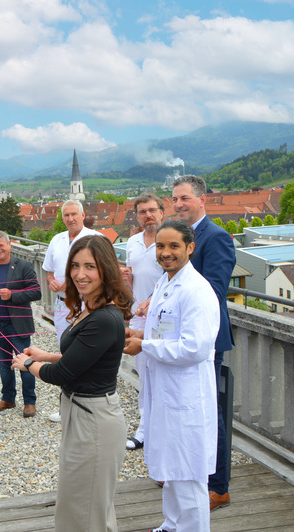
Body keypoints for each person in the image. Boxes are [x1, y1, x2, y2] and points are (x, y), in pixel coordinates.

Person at [14, 235, 131, 532]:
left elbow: (61, 374)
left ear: (106, 269)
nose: (80, 274)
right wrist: (45, 355)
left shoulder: (104, 318)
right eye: (75, 266)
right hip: (81, 413)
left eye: (90, 266)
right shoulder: (90, 307)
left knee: (84, 512)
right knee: (86, 507)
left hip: (93, 420)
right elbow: (79, 358)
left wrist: (27, 364)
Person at [124, 220, 219, 532]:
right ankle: (172, 524)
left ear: (190, 248)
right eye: (161, 246)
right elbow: (166, 330)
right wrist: (140, 334)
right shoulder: (165, 282)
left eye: (174, 246)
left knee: (188, 474)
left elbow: (194, 348)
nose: (166, 253)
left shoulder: (196, 291)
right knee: (171, 468)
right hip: (164, 391)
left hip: (185, 395)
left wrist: (145, 346)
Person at [172, 174, 235, 511]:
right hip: (179, 339)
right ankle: (191, 474)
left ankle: (218, 487)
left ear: (202, 200)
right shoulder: (178, 236)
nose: (178, 204)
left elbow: (214, 291)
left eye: (184, 198)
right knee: (186, 409)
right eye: (175, 199)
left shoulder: (217, 237)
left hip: (206, 340)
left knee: (210, 413)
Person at [41, 200, 101, 422]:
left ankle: (89, 405)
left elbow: (104, 273)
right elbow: (48, 271)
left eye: (74, 214)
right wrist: (52, 281)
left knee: (89, 355)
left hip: (88, 305)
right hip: (62, 305)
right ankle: (67, 406)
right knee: (65, 354)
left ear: (83, 215)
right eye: (66, 215)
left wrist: (72, 284)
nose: (70, 219)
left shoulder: (96, 239)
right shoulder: (56, 240)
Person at [0, 231, 41, 417]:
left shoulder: (24, 265)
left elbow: (36, 292)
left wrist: (13, 295)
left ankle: (29, 401)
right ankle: (8, 398)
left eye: (1, 245)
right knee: (4, 365)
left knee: (26, 364)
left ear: (9, 244)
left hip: (17, 325)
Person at [122, 194, 165, 451]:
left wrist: (152, 299)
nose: (148, 215)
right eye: (142, 212)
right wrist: (126, 275)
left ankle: (158, 429)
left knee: (162, 376)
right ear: (137, 216)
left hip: (163, 319)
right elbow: (133, 277)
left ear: (161, 212)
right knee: (143, 376)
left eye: (152, 210)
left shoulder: (169, 240)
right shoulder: (133, 242)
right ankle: (144, 429)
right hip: (138, 318)